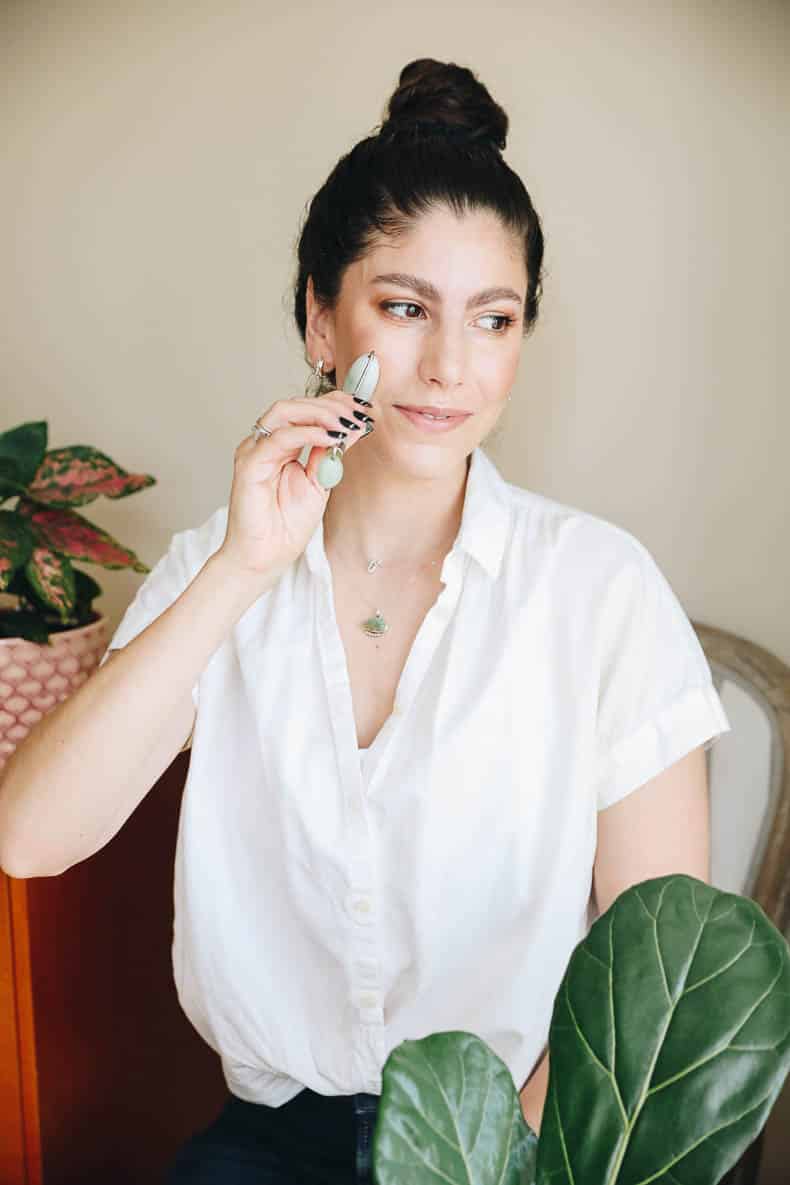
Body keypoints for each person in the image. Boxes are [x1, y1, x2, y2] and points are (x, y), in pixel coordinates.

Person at [0, 58, 731, 1184]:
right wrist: (247, 565)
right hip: (264, 1145)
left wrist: (495, 1161)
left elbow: (655, 982)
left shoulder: (599, 589)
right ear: (317, 315)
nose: (449, 366)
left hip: (523, 1146)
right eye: (404, 307)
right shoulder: (220, 567)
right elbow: (30, 837)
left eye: (492, 319)